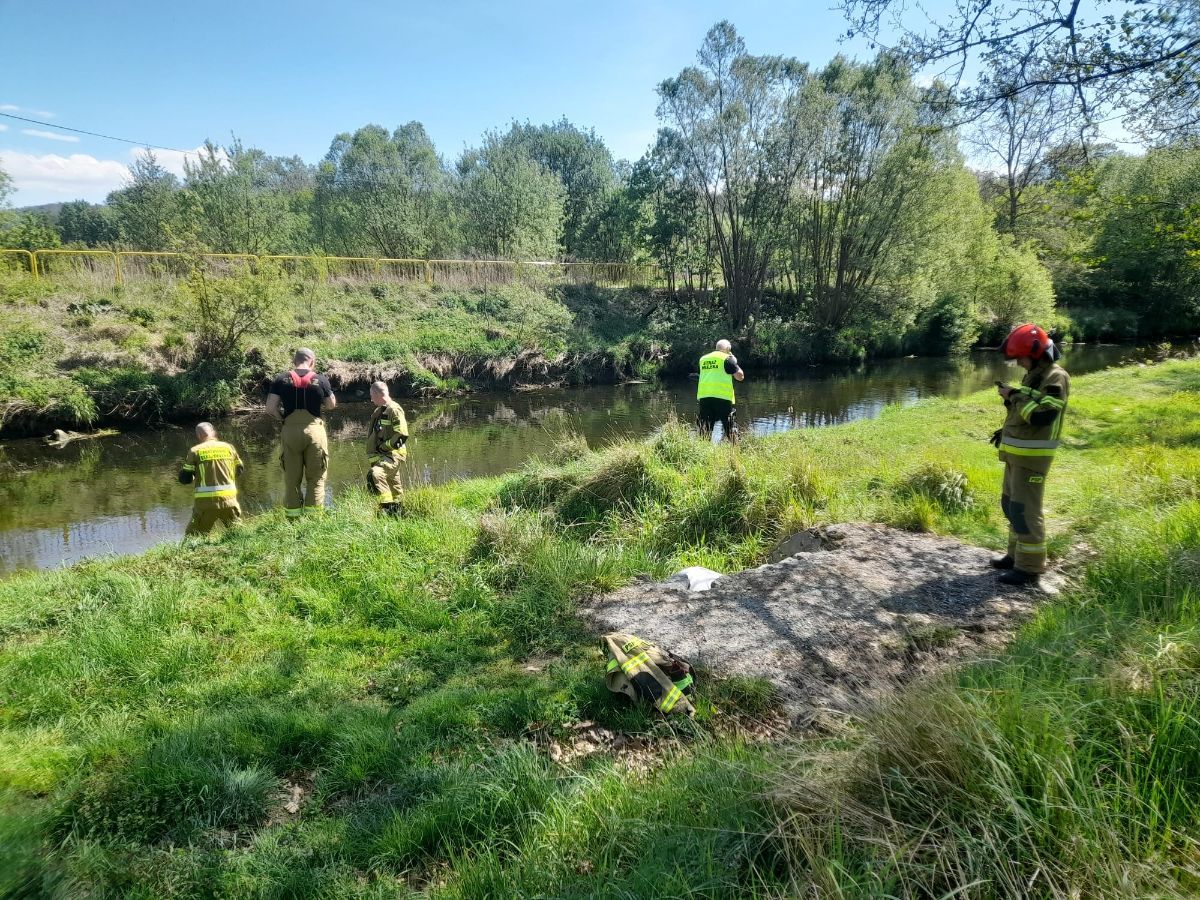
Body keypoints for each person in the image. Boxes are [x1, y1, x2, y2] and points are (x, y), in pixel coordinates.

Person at [989, 323, 1070, 585]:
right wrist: (1007, 421)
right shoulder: (1034, 374)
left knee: (1025, 511)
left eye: (1020, 358)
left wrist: (1014, 395)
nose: (1019, 363)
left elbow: (1041, 416)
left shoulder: (1056, 377)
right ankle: (1014, 556)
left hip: (1032, 459)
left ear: (1035, 354)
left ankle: (1029, 567)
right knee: (1011, 506)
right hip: (1016, 455)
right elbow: (1025, 410)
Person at [265, 348, 336, 518]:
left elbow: (270, 408)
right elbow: (331, 405)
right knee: (316, 478)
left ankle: (293, 518)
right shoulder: (321, 380)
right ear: (312, 361)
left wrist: (282, 418)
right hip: (314, 430)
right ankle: (313, 519)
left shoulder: (281, 379)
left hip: (290, 430)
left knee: (292, 479)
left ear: (294, 360)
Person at [178, 422, 244, 536]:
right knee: (238, 535)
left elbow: (185, 479)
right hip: (230, 501)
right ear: (213, 432)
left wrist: (194, 475)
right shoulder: (229, 448)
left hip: (205, 504)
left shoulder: (195, 451)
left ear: (199, 435)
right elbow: (239, 470)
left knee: (193, 539)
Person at [366, 380, 409, 516]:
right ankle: (399, 512)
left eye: (372, 396)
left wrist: (385, 447)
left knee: (375, 474)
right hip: (383, 456)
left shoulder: (394, 410)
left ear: (378, 394)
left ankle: (386, 509)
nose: (371, 399)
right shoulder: (379, 411)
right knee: (393, 485)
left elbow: (402, 435)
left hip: (392, 455)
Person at [696, 339, 745, 443]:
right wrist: (734, 361)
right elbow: (740, 376)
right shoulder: (726, 358)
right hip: (722, 398)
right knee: (730, 427)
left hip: (705, 397)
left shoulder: (703, 359)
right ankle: (736, 451)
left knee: (704, 428)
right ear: (727, 349)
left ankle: (702, 452)